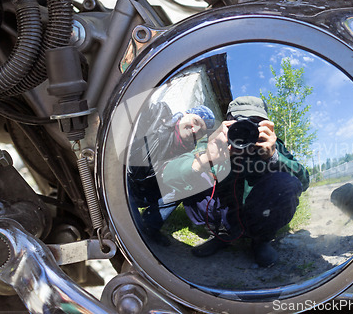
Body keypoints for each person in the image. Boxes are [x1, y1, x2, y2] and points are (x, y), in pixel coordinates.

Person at [161, 96, 309, 267]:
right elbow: (169, 176)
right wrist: (206, 160)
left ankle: (261, 241)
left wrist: (274, 157)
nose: (247, 130)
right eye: (239, 123)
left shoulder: (274, 145)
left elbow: (303, 180)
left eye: (255, 123)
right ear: (228, 123)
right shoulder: (214, 142)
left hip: (259, 212)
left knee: (287, 183)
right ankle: (222, 236)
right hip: (222, 212)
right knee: (192, 177)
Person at [127, 101, 215, 246]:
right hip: (125, 181)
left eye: (200, 131)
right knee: (131, 232)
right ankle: (130, 220)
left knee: (185, 186)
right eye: (195, 121)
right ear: (186, 113)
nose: (194, 130)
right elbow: (140, 107)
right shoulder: (158, 118)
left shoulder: (189, 152)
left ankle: (150, 225)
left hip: (147, 190)